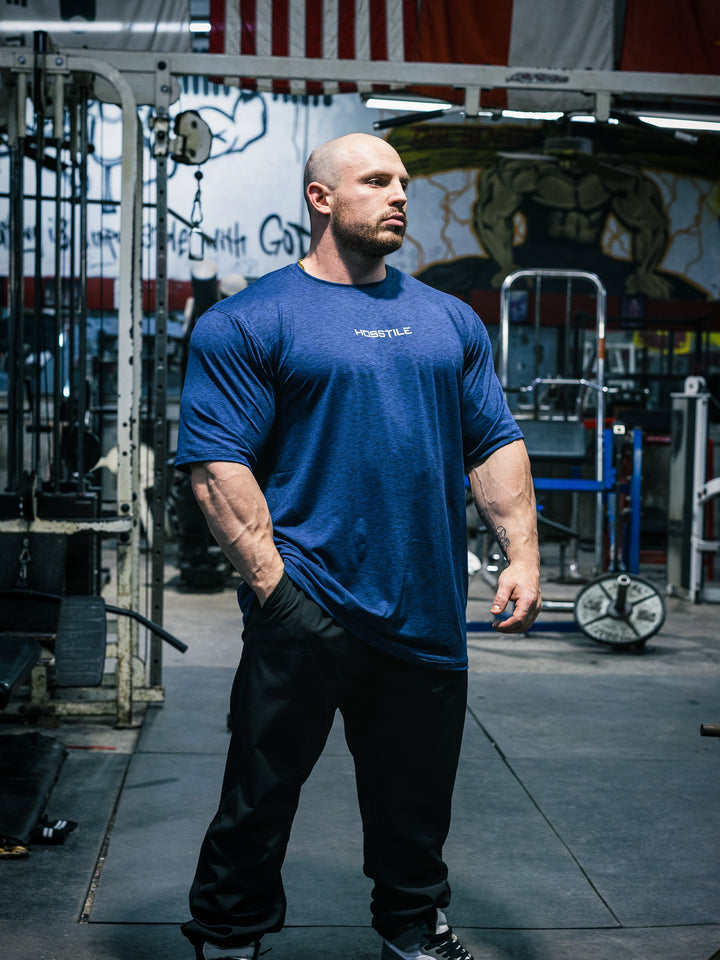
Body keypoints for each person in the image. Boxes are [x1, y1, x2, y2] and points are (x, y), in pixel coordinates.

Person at [176, 132, 542, 960]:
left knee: (416, 803)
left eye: (404, 181)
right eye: (376, 180)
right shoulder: (250, 320)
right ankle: (229, 937)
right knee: (259, 798)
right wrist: (278, 591)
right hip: (306, 606)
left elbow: (493, 442)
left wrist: (521, 553)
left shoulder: (450, 320)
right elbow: (214, 467)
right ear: (321, 199)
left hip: (426, 609)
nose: (398, 194)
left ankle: (413, 932)